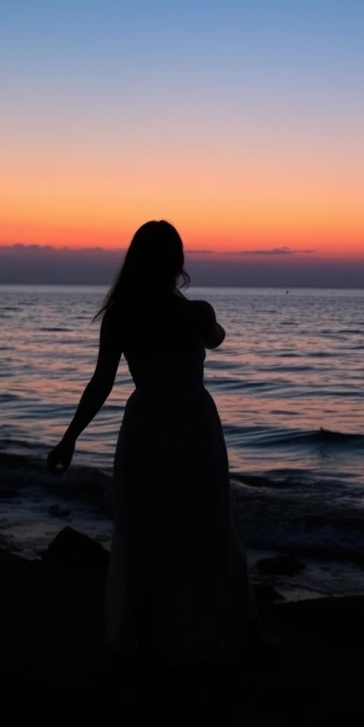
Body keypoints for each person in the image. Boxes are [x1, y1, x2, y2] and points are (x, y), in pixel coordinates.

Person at [47, 220, 259, 665]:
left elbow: (101, 383)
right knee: (206, 528)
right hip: (193, 426)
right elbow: (217, 339)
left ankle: (143, 636)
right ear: (177, 262)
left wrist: (69, 439)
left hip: (145, 427)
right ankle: (209, 634)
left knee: (144, 532)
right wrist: (203, 320)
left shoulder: (122, 313)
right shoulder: (196, 312)